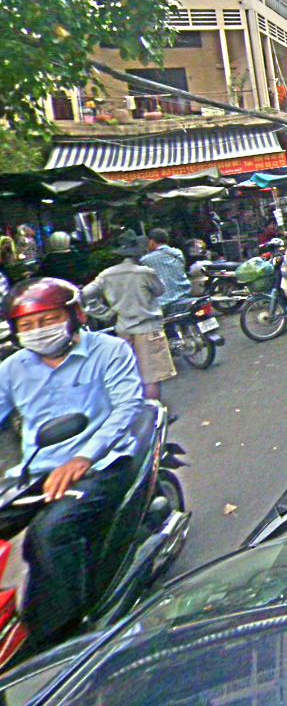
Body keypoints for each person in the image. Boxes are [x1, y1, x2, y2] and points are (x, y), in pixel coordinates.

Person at [0, 278, 143, 652]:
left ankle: (58, 638)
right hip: (37, 470)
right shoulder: (12, 368)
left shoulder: (110, 351)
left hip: (103, 463)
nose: (38, 331)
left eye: (48, 319)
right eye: (28, 325)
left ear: (75, 315)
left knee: (49, 535)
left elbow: (127, 406)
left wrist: (84, 457)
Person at [82, 230, 176, 401]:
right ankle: (154, 412)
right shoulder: (145, 272)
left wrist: (105, 314)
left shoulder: (106, 275)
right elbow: (160, 290)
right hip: (148, 329)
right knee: (151, 377)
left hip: (123, 329)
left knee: (131, 374)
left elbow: (85, 295)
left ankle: (136, 408)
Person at [140, 229, 191, 307]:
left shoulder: (146, 260)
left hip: (163, 303)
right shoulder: (177, 253)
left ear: (152, 242)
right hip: (184, 297)